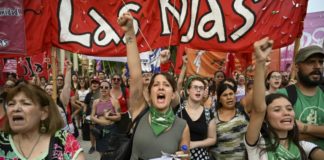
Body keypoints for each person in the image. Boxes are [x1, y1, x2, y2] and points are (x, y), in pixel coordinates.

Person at [118, 12, 190, 160]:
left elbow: (185, 154)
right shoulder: (139, 111)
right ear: (150, 93)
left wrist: (184, 157)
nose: (161, 87)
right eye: (156, 85)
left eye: (166, 85)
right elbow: (136, 75)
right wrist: (130, 32)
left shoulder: (182, 126)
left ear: (173, 94)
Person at [245, 37, 324, 159]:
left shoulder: (303, 146)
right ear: (265, 118)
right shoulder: (258, 145)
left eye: (289, 108)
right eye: (277, 110)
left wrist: (305, 128)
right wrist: (260, 62)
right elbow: (258, 110)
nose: (286, 113)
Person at [0, 83, 85, 159]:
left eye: (26, 103)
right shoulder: (2, 141)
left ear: (44, 113)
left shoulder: (64, 141)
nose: (16, 108)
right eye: (11, 104)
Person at [277, 45, 324, 149]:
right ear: (297, 67)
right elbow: (279, 136)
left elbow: (292, 134)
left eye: (321, 62)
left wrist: (304, 128)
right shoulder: (282, 95)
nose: (317, 66)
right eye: (311, 62)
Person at [177, 76, 217, 160]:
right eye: (195, 87)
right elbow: (178, 84)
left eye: (201, 88)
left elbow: (212, 139)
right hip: (180, 155)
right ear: (188, 90)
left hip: (201, 156)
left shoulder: (208, 113)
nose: (198, 90)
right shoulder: (178, 109)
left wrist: (193, 144)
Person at [209, 80, 249, 159]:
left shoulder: (243, 109)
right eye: (225, 95)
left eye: (231, 94)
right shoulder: (213, 116)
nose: (229, 97)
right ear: (219, 99)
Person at [90, 80, 121, 158]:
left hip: (111, 130)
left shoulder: (114, 101)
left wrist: (108, 117)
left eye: (106, 87)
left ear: (110, 89)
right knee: (101, 153)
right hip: (99, 130)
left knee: (111, 153)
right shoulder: (96, 102)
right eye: (101, 87)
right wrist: (102, 122)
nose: (103, 89)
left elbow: (119, 117)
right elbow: (92, 116)